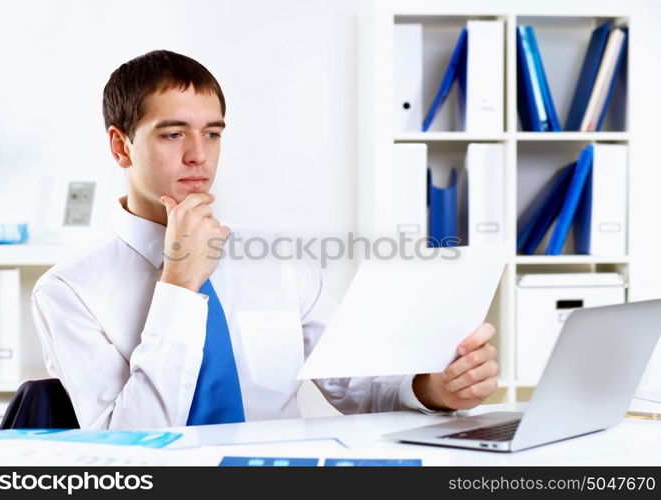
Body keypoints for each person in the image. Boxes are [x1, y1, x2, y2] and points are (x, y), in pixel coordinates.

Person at [31, 50, 499, 430]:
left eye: (212, 134)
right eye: (173, 134)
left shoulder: (280, 259)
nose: (199, 155)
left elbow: (353, 385)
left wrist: (431, 389)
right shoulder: (69, 291)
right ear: (120, 146)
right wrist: (179, 285)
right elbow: (126, 444)